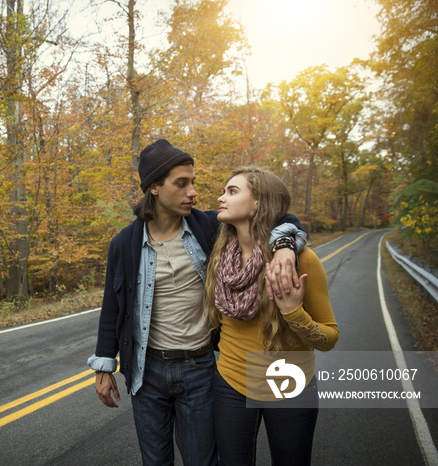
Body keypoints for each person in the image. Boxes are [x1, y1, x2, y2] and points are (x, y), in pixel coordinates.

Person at [87, 140, 307, 466]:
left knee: (202, 461)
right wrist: (105, 365)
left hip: (200, 370)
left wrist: (287, 242)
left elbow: (275, 212)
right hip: (145, 373)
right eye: (182, 183)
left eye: (193, 182)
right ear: (154, 188)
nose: (192, 192)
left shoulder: (208, 227)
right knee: (155, 462)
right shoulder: (124, 244)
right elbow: (113, 307)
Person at [205, 167, 339, 466]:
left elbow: (329, 337)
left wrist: (293, 311)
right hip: (231, 384)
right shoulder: (219, 253)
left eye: (232, 191)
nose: (220, 197)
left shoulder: (300, 259)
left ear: (258, 203)